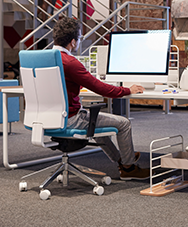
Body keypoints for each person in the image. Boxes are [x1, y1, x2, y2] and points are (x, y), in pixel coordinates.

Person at [52, 16, 149, 180]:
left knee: (96, 123)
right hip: (71, 119)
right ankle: (128, 167)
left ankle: (121, 159)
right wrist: (127, 90)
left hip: (47, 119)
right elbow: (100, 88)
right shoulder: (70, 62)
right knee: (124, 123)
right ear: (73, 42)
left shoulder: (42, 59)